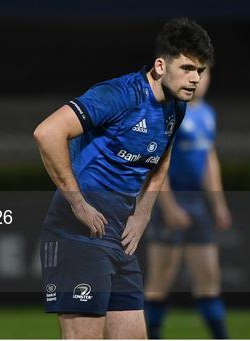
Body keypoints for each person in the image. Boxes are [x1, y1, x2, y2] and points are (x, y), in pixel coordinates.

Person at [33, 18, 214, 339]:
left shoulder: (176, 108)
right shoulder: (118, 95)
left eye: (199, 71)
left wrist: (143, 214)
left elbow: (162, 160)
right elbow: (47, 133)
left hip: (118, 239)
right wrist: (77, 202)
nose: (194, 79)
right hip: (78, 236)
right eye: (187, 68)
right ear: (160, 66)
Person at [144, 69, 231, 339]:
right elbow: (157, 161)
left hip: (197, 203)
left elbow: (209, 159)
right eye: (193, 72)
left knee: (208, 278)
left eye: (204, 73)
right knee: (160, 279)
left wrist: (218, 203)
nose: (198, 79)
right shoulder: (170, 112)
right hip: (170, 200)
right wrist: (168, 206)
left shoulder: (208, 114)